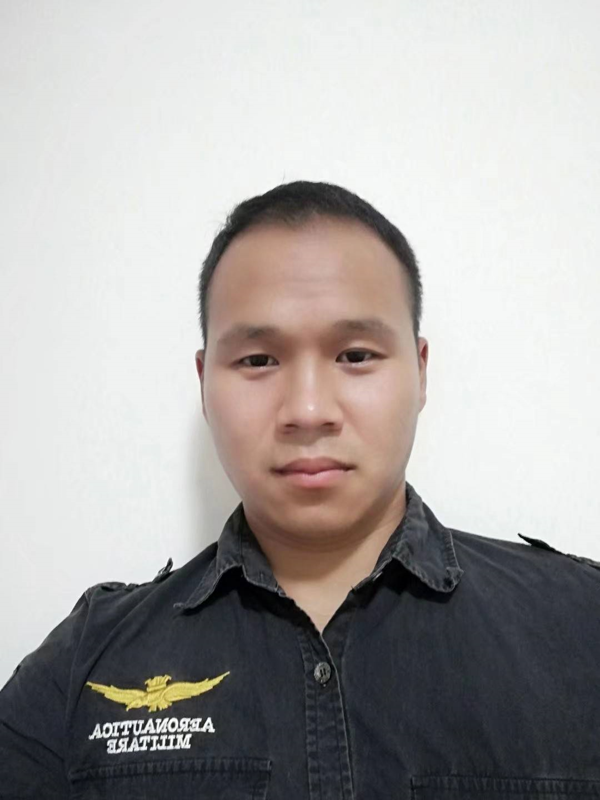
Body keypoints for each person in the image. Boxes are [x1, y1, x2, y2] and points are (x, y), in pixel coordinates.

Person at [1, 181, 599, 799]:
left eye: (356, 355)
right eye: (259, 361)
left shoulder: (581, 625)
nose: (308, 411)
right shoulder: (88, 664)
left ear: (421, 372)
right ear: (204, 383)